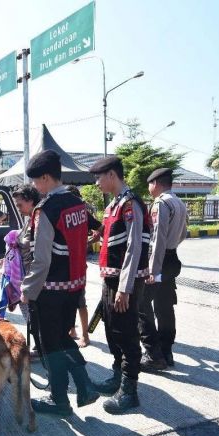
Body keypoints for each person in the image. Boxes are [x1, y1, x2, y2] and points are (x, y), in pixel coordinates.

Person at [21, 149, 99, 416]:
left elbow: (41, 260)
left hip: (50, 290)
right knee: (62, 339)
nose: (34, 186)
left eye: (35, 180)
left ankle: (62, 399)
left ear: (45, 177)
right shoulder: (77, 204)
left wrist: (27, 290)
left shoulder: (46, 210)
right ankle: (83, 386)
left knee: (49, 345)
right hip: (74, 286)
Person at [88, 156, 150, 414]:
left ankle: (130, 389)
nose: (97, 182)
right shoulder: (113, 205)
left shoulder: (130, 204)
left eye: (99, 177)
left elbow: (134, 246)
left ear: (112, 175)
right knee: (112, 329)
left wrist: (125, 288)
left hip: (125, 282)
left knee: (126, 333)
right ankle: (116, 375)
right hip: (110, 278)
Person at [138, 168, 188, 372]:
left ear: (155, 183)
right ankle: (166, 351)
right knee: (165, 306)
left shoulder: (161, 203)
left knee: (141, 304)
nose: (149, 188)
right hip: (171, 257)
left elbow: (157, 238)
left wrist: (153, 269)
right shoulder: (178, 201)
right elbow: (184, 232)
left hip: (158, 260)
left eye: (150, 184)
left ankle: (152, 353)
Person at [65, 185, 103, 348]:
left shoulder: (82, 213)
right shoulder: (67, 213)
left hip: (77, 265)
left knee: (79, 300)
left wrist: (92, 240)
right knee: (68, 299)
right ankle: (72, 330)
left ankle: (85, 335)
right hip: (66, 263)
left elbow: (101, 227)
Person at [11, 184, 41, 359]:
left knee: (35, 314)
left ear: (31, 201)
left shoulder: (39, 219)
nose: (18, 208)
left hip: (34, 276)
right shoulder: (28, 219)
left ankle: (40, 348)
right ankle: (39, 345)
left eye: (20, 204)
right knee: (30, 314)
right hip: (25, 274)